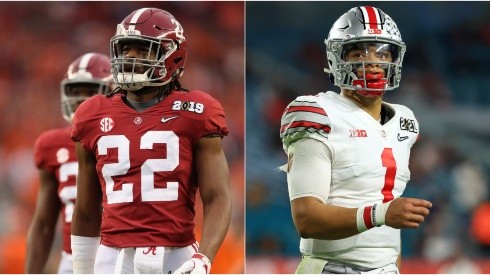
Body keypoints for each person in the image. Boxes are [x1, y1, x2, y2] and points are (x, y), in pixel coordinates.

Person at [70, 7, 231, 274]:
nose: (130, 57)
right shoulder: (91, 114)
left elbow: (217, 197)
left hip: (177, 254)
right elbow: (86, 210)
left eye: (142, 50)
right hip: (112, 257)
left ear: (172, 55)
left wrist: (205, 256)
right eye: (126, 49)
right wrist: (81, 269)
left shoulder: (197, 111)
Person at [279, 6, 433, 274]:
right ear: (337, 57)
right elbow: (306, 218)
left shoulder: (405, 122)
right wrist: (381, 214)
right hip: (333, 268)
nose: (373, 61)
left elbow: (388, 220)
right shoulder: (318, 113)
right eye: (359, 52)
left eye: (383, 52)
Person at [26, 53, 113, 273]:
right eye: (76, 91)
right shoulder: (50, 145)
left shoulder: (129, 138)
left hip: (119, 254)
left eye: (90, 91)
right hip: (72, 258)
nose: (81, 100)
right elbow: (44, 224)